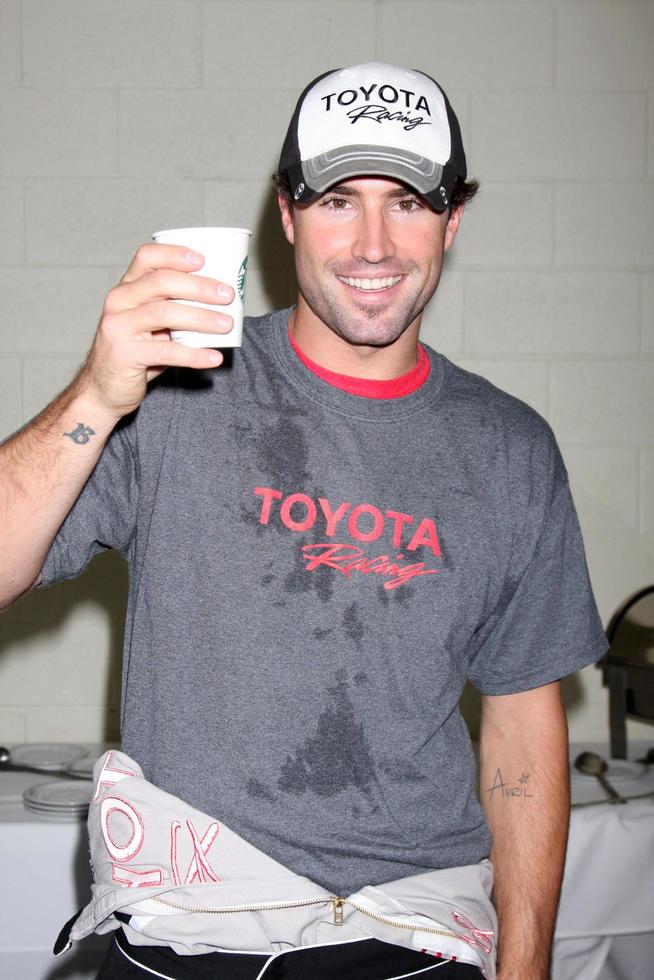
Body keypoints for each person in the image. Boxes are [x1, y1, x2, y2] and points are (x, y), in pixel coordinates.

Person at [0, 62, 607, 980]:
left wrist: (525, 969)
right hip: (185, 927)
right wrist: (95, 394)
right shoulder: (174, 392)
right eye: (337, 201)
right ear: (285, 216)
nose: (372, 243)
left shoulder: (511, 449)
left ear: (453, 220)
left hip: (412, 932)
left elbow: (523, 737)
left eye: (407, 202)